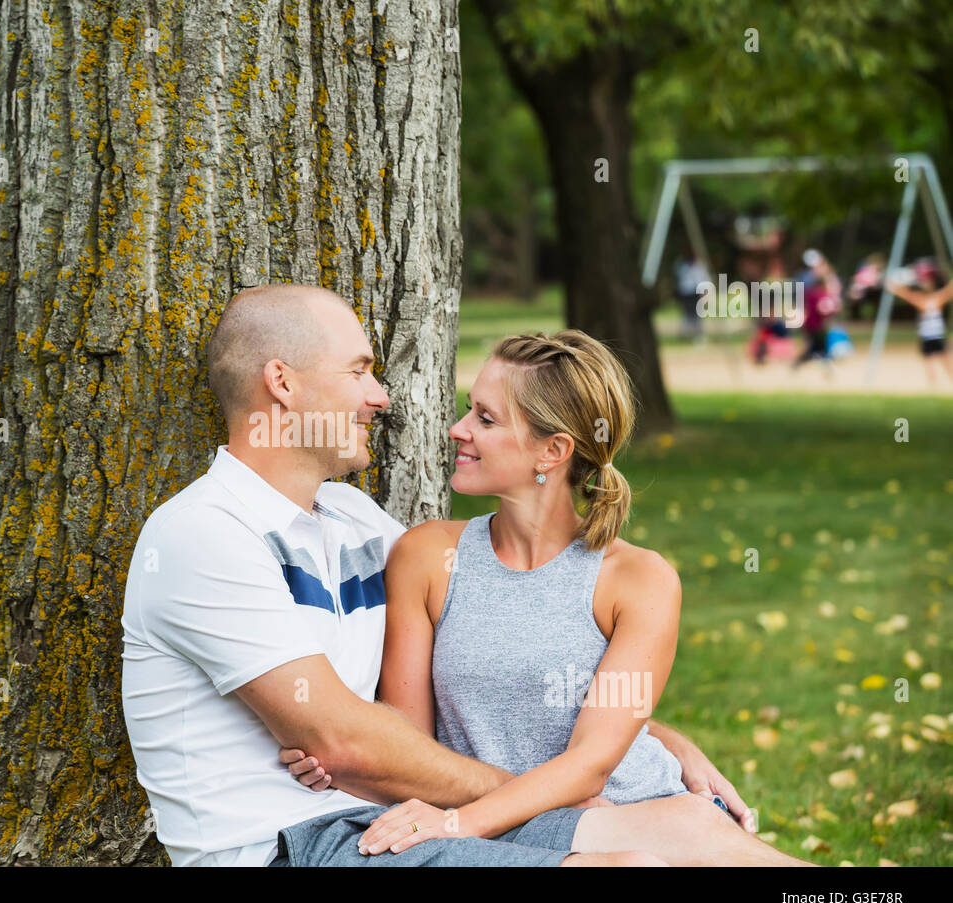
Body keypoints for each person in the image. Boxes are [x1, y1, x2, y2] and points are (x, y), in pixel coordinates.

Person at [121, 283, 808, 867]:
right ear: (282, 383)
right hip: (288, 843)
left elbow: (485, 654)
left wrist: (656, 740)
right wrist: (506, 787)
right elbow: (348, 743)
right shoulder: (203, 534)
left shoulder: (355, 522)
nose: (382, 397)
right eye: (359, 371)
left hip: (386, 810)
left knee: (689, 831)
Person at [885, 263, 953, 386]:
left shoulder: (936, 298)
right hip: (927, 336)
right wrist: (893, 286)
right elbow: (906, 294)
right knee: (930, 363)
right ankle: (933, 385)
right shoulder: (922, 299)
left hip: (937, 335)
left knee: (946, 362)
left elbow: (948, 291)